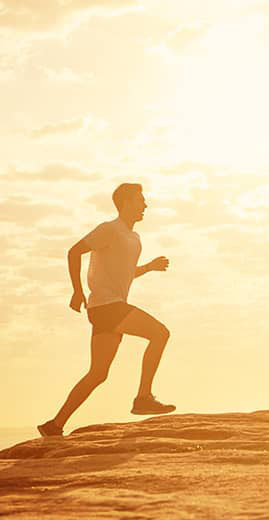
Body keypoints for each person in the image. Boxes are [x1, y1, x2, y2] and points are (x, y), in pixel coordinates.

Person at [38, 183, 175, 437]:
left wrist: (149, 267)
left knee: (98, 373)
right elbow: (74, 252)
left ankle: (54, 425)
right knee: (160, 333)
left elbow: (125, 274)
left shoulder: (134, 239)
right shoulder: (109, 229)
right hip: (107, 306)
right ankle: (143, 397)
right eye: (140, 200)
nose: (145, 205)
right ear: (125, 203)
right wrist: (77, 291)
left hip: (106, 309)